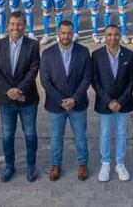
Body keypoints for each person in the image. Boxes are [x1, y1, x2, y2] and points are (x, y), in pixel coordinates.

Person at [0, 11, 41, 182]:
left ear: (25, 26)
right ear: (7, 26)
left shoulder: (33, 45)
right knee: (7, 135)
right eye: (12, 24)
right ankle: (9, 166)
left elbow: (33, 70)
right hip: (6, 100)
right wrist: (10, 91)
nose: (15, 28)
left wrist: (19, 90)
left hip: (27, 99)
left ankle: (30, 166)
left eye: (19, 24)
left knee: (30, 134)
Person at [40, 20, 92, 181]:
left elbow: (87, 77)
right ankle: (56, 166)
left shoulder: (83, 52)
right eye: (63, 33)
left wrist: (74, 99)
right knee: (56, 138)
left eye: (69, 33)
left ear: (73, 33)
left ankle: (83, 165)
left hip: (78, 104)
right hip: (56, 105)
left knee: (80, 137)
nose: (66, 36)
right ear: (58, 34)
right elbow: (45, 81)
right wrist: (62, 100)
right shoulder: (47, 53)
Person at [92, 24, 133, 182]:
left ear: (120, 35)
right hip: (105, 103)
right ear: (104, 36)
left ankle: (120, 163)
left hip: (124, 102)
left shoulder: (129, 55)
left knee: (122, 133)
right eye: (109, 35)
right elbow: (95, 81)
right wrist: (109, 101)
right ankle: (105, 163)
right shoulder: (96, 55)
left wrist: (120, 101)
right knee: (104, 133)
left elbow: (132, 81)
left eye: (116, 34)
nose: (113, 38)